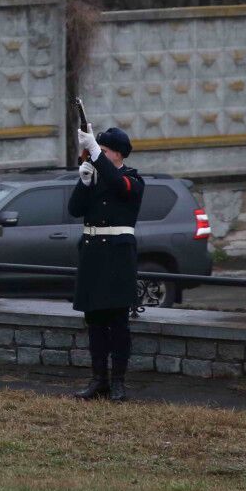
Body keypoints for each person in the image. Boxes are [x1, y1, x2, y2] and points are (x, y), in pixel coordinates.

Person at [68, 125, 143, 402]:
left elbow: (118, 185)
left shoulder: (132, 180)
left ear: (119, 154)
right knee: (95, 322)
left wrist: (95, 153)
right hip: (93, 256)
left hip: (117, 257)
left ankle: (119, 382)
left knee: (118, 323)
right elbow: (75, 210)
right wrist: (84, 182)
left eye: (105, 150)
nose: (98, 154)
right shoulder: (97, 178)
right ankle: (98, 379)